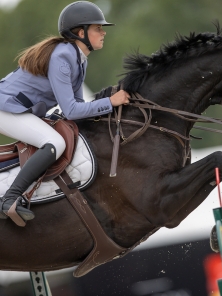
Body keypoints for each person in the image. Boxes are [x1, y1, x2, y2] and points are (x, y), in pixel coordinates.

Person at [0, 1, 130, 224]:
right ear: (81, 32)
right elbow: (71, 109)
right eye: (97, 27)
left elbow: (77, 105)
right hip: (5, 109)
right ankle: (10, 199)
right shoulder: (63, 57)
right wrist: (109, 102)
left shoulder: (79, 58)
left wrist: (107, 104)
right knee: (55, 143)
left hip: (17, 109)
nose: (103, 32)